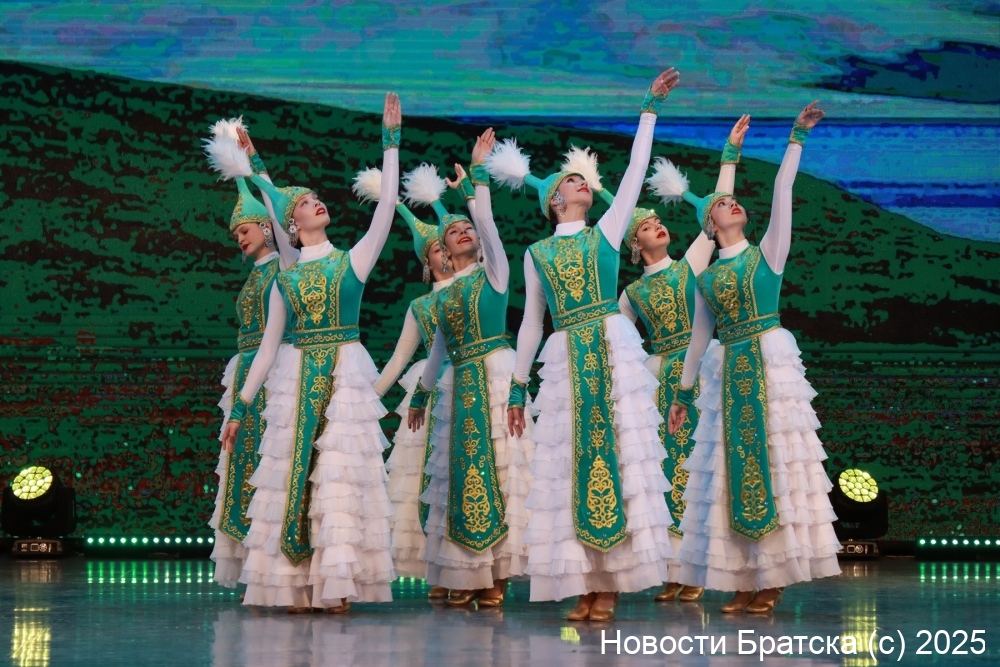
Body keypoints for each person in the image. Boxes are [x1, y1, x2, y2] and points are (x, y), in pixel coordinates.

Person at [487, 69, 680, 621]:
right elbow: (531, 323)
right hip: (567, 354)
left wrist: (649, 109)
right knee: (570, 462)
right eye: (572, 181)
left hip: (611, 348)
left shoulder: (608, 232)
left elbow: (637, 170)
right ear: (554, 200)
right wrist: (518, 388)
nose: (582, 184)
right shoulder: (537, 253)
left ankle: (612, 582)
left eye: (584, 180)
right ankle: (584, 581)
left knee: (617, 452)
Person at [217, 93, 402, 612]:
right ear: (292, 225)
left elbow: (387, 207)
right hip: (296, 378)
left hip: (342, 374)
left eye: (317, 198)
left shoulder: (353, 261)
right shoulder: (287, 278)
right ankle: (297, 582)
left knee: (336, 479)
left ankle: (335, 584)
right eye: (303, 203)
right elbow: (266, 349)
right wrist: (240, 408)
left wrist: (390, 142)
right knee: (294, 474)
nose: (315, 202)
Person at [668, 101, 841, 614]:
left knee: (774, 464)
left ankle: (774, 577)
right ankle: (744, 577)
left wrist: (796, 138)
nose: (734, 204)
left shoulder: (768, 253)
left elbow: (782, 191)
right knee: (730, 470)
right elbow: (698, 340)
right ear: (709, 222)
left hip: (768, 365)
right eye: (723, 204)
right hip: (729, 371)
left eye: (735, 201)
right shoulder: (706, 278)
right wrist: (682, 395)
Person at [614, 116, 750, 602]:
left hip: (699, 372)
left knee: (703, 463)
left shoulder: (689, 264)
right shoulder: (631, 293)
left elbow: (717, 212)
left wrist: (729, 157)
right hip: (659, 381)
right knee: (670, 467)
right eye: (647, 226)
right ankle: (677, 566)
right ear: (636, 245)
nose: (658, 226)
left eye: (659, 221)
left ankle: (704, 566)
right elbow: (616, 342)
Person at [406, 129, 533, 608]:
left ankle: (498, 573)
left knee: (501, 470)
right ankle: (470, 570)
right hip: (460, 384)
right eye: (452, 231)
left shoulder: (493, 274)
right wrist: (421, 394)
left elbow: (490, 226)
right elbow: (439, 348)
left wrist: (479, 176)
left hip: (495, 375)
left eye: (468, 229)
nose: (463, 233)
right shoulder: (444, 296)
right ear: (442, 248)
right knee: (463, 474)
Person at [369, 163, 474, 599]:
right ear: (427, 263)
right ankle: (440, 566)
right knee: (431, 481)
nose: (442, 253)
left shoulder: (478, 284)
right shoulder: (421, 306)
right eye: (434, 249)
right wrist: (365, 401)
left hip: (475, 378)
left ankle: (475, 564)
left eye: (444, 246)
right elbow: (399, 359)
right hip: (430, 392)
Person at [205, 119, 298, 590]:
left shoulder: (286, 265)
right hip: (247, 373)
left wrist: (255, 166)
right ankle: (256, 566)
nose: (240, 238)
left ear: (265, 227)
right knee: (243, 463)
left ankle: (278, 561)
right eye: (236, 235)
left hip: (276, 373)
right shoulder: (253, 276)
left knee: (273, 463)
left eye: (245, 230)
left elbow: (283, 214)